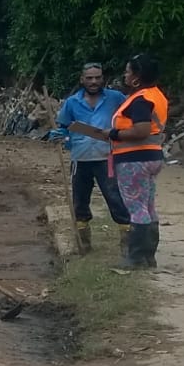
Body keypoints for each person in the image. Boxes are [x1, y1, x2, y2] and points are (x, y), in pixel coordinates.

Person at [51, 62, 131, 252]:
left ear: (103, 78)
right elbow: (64, 126)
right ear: (82, 80)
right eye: (89, 78)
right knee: (80, 200)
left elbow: (130, 117)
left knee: (115, 198)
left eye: (97, 77)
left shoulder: (115, 98)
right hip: (80, 159)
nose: (94, 81)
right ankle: (83, 244)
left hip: (107, 157)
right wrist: (60, 135)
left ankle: (127, 242)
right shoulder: (72, 102)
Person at [108, 54, 168, 268]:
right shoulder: (156, 95)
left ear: (136, 77)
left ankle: (135, 258)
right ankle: (148, 257)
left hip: (135, 159)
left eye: (128, 71)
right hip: (152, 156)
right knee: (148, 206)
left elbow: (141, 129)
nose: (125, 75)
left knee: (136, 207)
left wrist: (115, 134)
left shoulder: (141, 99)